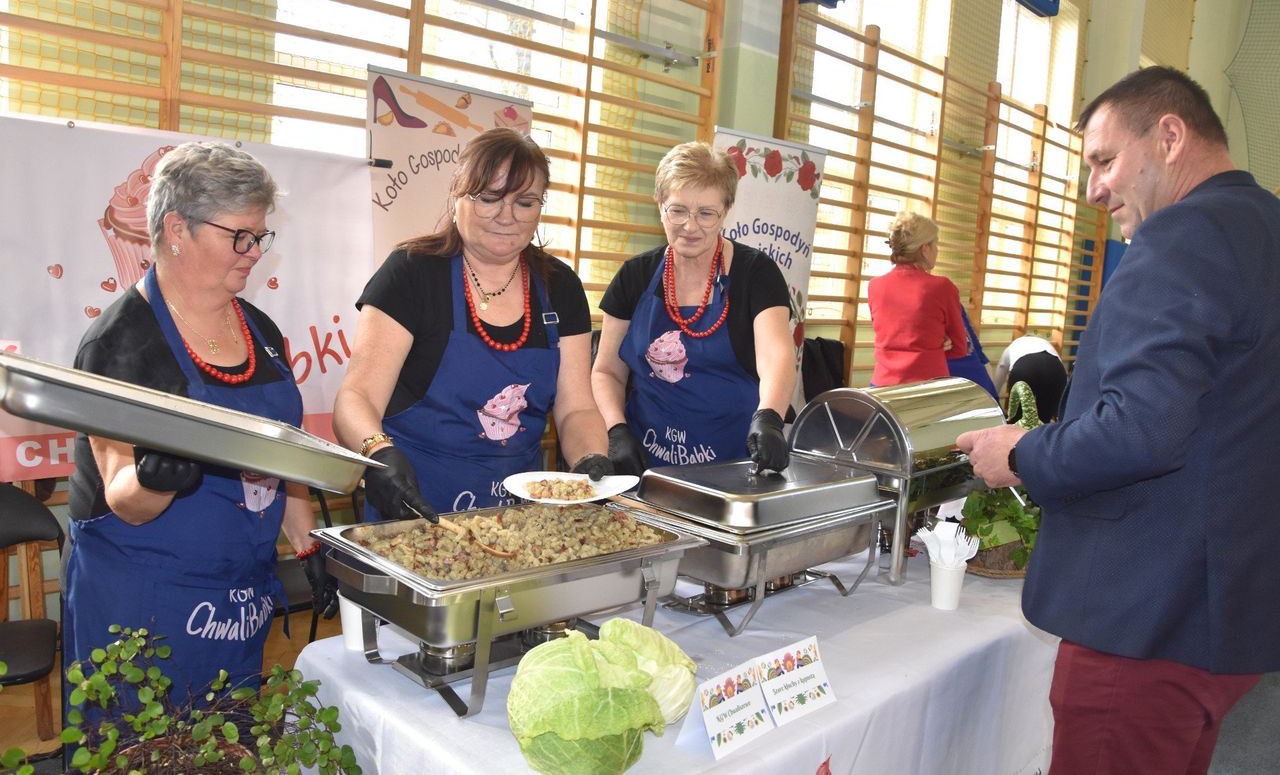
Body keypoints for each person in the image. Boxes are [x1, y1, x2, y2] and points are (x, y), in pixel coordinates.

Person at [957, 66, 1280, 775]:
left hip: (1144, 621)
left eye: (1104, 161)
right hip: (1222, 612)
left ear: (1169, 136)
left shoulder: (1181, 238)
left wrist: (1023, 451)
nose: (1094, 189)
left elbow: (1140, 429)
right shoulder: (1265, 226)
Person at [64, 142, 337, 710]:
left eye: (260, 236)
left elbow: (282, 457)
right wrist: (159, 476)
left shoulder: (261, 329)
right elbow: (125, 499)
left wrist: (309, 548)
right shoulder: (120, 343)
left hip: (235, 604)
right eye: (239, 236)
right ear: (177, 229)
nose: (254, 252)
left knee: (227, 741)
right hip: (142, 603)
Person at [334, 128, 610, 519]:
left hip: (519, 520)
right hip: (414, 514)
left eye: (525, 202)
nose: (506, 216)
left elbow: (576, 408)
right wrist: (378, 453)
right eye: (489, 198)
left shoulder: (559, 286)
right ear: (457, 195)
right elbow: (355, 398)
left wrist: (591, 460)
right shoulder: (411, 274)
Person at [591, 142, 795, 474]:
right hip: (647, 464)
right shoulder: (635, 275)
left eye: (706, 213)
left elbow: (776, 355)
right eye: (678, 210)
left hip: (735, 465)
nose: (690, 226)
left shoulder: (755, 273)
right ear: (660, 206)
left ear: (726, 210)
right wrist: (616, 430)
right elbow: (607, 371)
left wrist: (769, 416)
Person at [866, 212, 968, 386]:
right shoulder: (942, 287)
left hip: (882, 387)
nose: (937, 250)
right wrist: (936, 345)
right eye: (935, 244)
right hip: (926, 389)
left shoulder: (874, 285)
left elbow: (893, 333)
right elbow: (960, 347)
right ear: (925, 248)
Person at [992, 334, 1066, 421]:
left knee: (1017, 417)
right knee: (1045, 417)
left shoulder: (1015, 344)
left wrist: (994, 396)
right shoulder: (1045, 343)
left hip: (1026, 366)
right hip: (1055, 367)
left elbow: (1002, 367)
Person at [945, 304, 998, 401]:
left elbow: (978, 352)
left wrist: (991, 390)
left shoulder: (954, 304)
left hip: (976, 383)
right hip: (948, 385)